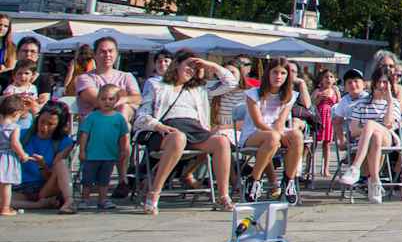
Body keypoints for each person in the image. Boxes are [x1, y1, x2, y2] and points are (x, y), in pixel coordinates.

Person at [137, 51, 239, 215]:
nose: (191, 70)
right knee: (178, 137)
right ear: (177, 64)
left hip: (194, 129)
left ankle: (223, 196)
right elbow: (142, 115)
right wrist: (158, 126)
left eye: (194, 67)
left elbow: (231, 83)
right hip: (165, 129)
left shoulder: (200, 88)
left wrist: (210, 65)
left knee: (222, 141)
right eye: (188, 65)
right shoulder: (156, 84)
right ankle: (154, 192)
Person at [332, 67, 400, 203]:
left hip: (388, 138)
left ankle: (355, 168)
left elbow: (388, 124)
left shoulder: (394, 104)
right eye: (379, 82)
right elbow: (354, 130)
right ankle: (374, 181)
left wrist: (390, 101)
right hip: (369, 141)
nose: (382, 86)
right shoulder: (362, 103)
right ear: (373, 83)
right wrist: (370, 129)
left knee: (370, 125)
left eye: (385, 82)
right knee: (375, 136)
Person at [244, 60, 306, 204]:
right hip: (254, 133)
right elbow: (258, 122)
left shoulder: (290, 95)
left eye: (283, 73)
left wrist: (280, 134)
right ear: (268, 74)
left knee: (297, 135)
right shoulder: (253, 94)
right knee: (272, 137)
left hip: (277, 132)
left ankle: (288, 180)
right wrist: (278, 135)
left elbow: (280, 121)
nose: (279, 76)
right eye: (275, 72)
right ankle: (254, 179)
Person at [78, 83, 130, 211]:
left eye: (111, 99)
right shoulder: (92, 117)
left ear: (117, 100)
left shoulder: (119, 118)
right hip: (92, 155)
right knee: (87, 179)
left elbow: (123, 136)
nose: (107, 102)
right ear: (98, 100)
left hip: (109, 155)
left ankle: (102, 200)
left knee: (104, 180)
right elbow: (84, 135)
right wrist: (82, 150)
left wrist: (123, 150)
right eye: (103, 99)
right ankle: (85, 199)